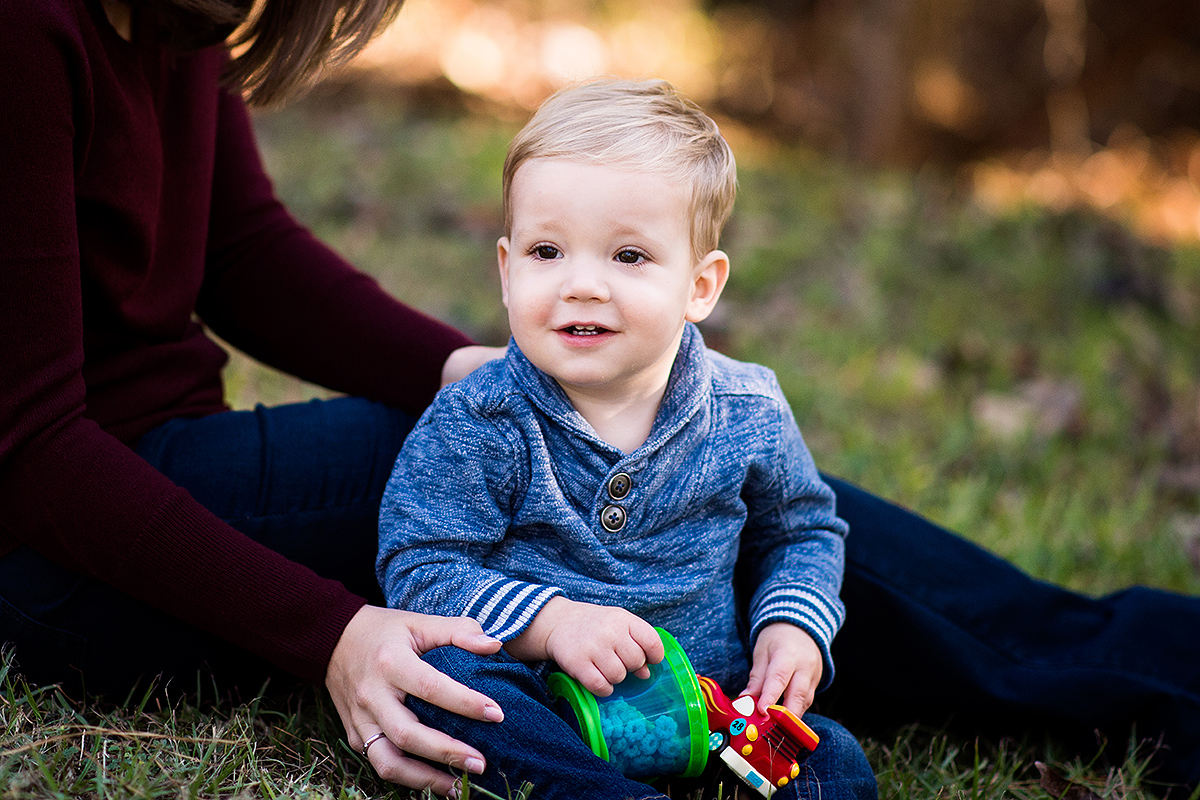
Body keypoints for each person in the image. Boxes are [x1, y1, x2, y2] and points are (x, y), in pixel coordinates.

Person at [0, 0, 1196, 796]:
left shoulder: (178, 17)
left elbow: (242, 252)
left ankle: (1107, 671)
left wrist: (463, 368)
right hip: (57, 544)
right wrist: (337, 631)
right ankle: (1131, 666)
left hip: (165, 458)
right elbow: (33, 446)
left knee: (659, 457)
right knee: (475, 464)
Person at [375, 77, 876, 800]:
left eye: (629, 257)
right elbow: (420, 566)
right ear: (507, 271)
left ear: (701, 287)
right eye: (548, 252)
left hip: (717, 712)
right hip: (547, 707)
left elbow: (803, 531)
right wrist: (550, 623)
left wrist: (792, 625)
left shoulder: (746, 411)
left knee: (832, 760)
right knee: (450, 686)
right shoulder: (480, 420)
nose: (582, 284)